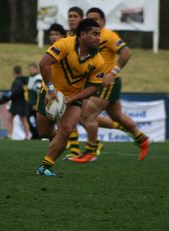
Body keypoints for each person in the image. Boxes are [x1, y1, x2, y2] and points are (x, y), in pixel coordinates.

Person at [69, 7, 150, 163]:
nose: (93, 22)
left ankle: (90, 152)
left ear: (103, 21)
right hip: (96, 81)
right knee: (116, 116)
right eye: (90, 19)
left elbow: (126, 52)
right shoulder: (87, 37)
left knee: (85, 114)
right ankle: (142, 140)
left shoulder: (108, 35)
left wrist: (112, 73)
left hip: (107, 83)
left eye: (96, 19)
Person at [36, 18, 105, 176]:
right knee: (44, 133)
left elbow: (94, 87)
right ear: (82, 34)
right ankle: (58, 140)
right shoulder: (64, 44)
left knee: (66, 129)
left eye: (99, 34)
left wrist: (72, 99)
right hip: (49, 93)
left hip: (74, 97)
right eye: (94, 34)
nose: (98, 38)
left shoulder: (99, 61)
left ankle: (45, 167)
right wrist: (51, 90)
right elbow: (43, 64)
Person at [5, 65, 30, 140]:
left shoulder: (17, 81)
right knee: (21, 119)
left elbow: (16, 92)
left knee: (12, 118)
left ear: (14, 72)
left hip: (17, 103)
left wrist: (9, 97)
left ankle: (10, 135)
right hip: (23, 102)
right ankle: (27, 136)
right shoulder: (24, 80)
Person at [27, 63, 42, 139]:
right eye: (29, 69)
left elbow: (38, 91)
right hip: (31, 103)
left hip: (35, 103)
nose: (30, 71)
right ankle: (35, 134)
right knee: (28, 118)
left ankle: (37, 135)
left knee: (36, 120)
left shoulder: (38, 78)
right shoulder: (32, 77)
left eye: (31, 69)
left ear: (36, 69)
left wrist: (37, 104)